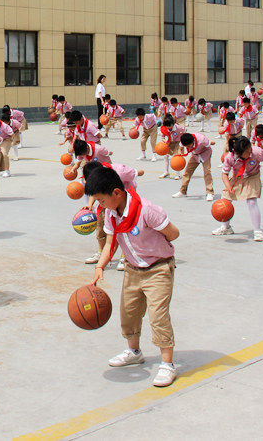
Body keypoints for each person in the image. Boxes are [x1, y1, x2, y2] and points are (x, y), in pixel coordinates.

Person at [85, 165, 179, 388]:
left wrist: (157, 243)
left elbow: (173, 233)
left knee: (158, 317)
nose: (100, 205)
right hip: (132, 270)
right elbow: (110, 243)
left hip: (158, 269)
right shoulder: (111, 213)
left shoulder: (147, 210)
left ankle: (167, 364)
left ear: (116, 193)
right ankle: (134, 351)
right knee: (129, 313)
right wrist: (100, 267)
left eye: (101, 200)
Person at [217, 136, 263, 240]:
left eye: (250, 149)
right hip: (237, 177)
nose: (250, 152)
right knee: (225, 201)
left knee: (252, 201)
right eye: (247, 152)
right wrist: (228, 186)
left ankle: (257, 230)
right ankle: (226, 227)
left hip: (252, 176)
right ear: (239, 153)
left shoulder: (257, 152)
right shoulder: (230, 157)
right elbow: (224, 174)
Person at [173, 132, 215, 201]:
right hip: (195, 155)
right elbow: (180, 147)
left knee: (207, 172)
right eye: (187, 146)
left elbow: (212, 143)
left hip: (205, 154)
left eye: (189, 145)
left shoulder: (202, 140)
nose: (189, 147)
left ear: (193, 141)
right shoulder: (184, 140)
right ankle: (182, 191)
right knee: (187, 172)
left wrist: (209, 140)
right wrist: (180, 151)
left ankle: (210, 192)